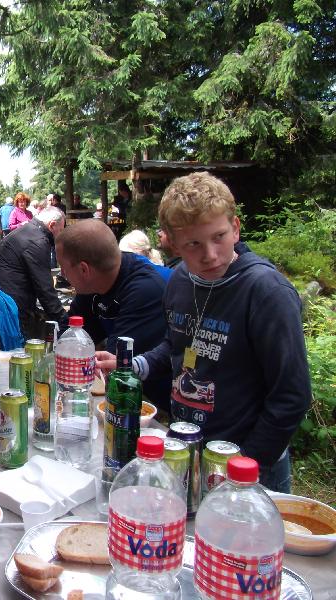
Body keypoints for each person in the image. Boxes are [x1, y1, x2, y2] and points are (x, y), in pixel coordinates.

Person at [98, 172, 311, 492]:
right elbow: (179, 344)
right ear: (173, 243)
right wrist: (133, 366)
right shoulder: (180, 281)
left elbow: (291, 395)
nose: (209, 254)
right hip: (188, 450)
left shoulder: (266, 292)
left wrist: (243, 470)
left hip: (250, 465)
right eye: (194, 244)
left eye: (219, 237)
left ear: (235, 227)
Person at [56, 219, 169, 408]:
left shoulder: (145, 290)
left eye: (63, 268)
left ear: (84, 269)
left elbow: (110, 367)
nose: (62, 274)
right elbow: (69, 336)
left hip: (159, 403)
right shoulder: (93, 282)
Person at [0, 206, 67, 339]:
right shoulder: (37, 241)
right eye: (61, 230)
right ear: (52, 225)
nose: (60, 235)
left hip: (5, 302)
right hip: (15, 308)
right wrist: (64, 321)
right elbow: (44, 288)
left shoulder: (27, 231)